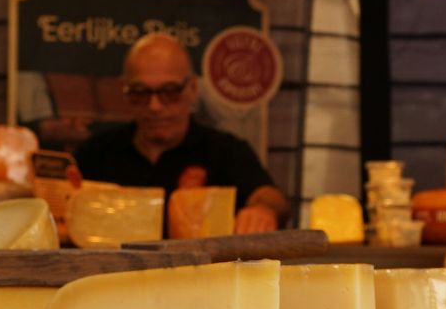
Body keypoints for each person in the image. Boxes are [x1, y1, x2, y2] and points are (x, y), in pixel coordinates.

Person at [74, 33, 290, 233]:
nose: (155, 106)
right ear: (125, 89)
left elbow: (273, 199)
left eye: (170, 92)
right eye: (140, 92)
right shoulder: (96, 153)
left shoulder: (225, 151)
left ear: (193, 88)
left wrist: (263, 210)